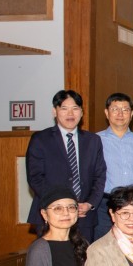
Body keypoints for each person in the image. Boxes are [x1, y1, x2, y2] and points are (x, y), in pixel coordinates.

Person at [26, 89, 107, 243]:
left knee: (83, 257)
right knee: (53, 256)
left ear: (81, 112)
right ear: (55, 111)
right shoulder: (41, 139)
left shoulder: (93, 140)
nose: (70, 113)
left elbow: (99, 176)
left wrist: (89, 204)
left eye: (75, 108)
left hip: (84, 215)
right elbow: (35, 177)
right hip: (52, 214)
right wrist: (62, 205)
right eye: (64, 108)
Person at [96, 93, 133, 240]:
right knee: (105, 245)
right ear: (107, 113)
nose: (120, 114)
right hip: (105, 204)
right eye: (115, 109)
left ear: (131, 114)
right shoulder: (95, 141)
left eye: (125, 109)